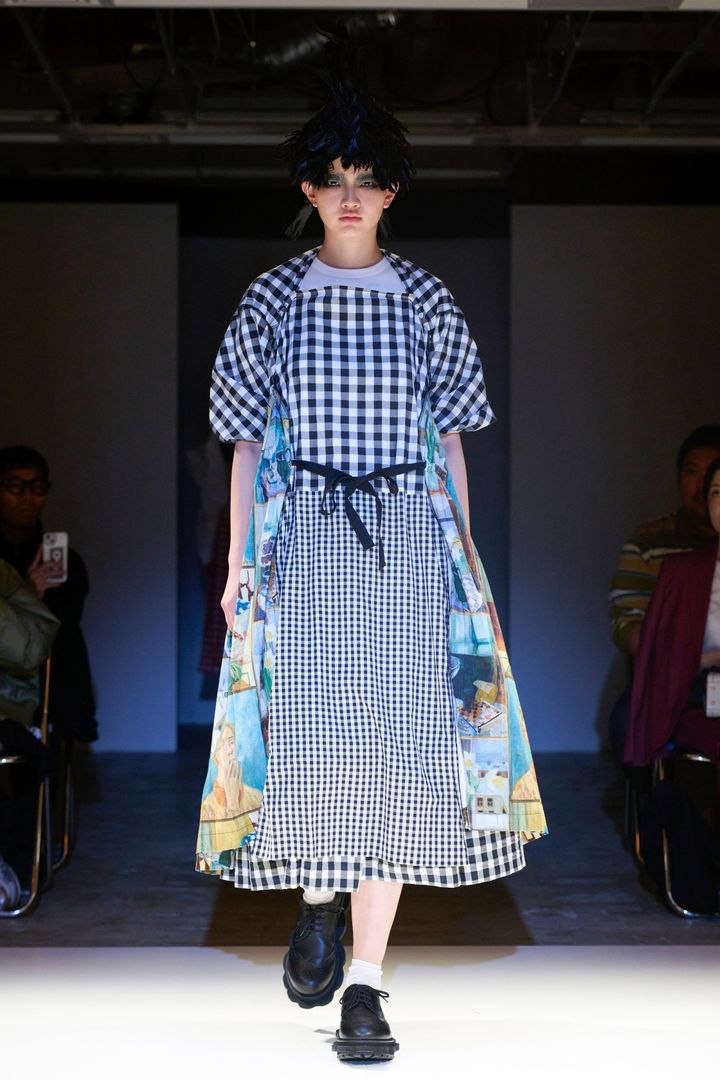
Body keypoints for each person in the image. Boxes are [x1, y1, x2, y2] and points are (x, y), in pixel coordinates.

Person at [194, 82, 547, 1063]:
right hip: (305, 538)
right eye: (334, 178)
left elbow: (453, 440)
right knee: (314, 749)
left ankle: (366, 983)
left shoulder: (427, 300)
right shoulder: (272, 299)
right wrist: (238, 563)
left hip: (408, 541)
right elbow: (244, 444)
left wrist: (464, 559)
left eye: (368, 179)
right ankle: (318, 893)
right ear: (309, 189)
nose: (351, 196)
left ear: (392, 192)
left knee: (400, 755)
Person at [607, 425, 720, 764]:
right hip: (671, 675)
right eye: (693, 473)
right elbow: (627, 621)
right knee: (629, 726)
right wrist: (673, 660)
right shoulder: (651, 541)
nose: (701, 486)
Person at [0, 446, 97, 747]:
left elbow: (63, 627)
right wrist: (28, 593)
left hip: (54, 687)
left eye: (37, 487)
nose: (27, 497)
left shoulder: (65, 561)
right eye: (15, 486)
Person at [0, 557, 59, 909]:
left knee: (22, 759)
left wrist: (30, 594)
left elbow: (29, 650)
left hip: (8, 710)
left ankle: (11, 866)